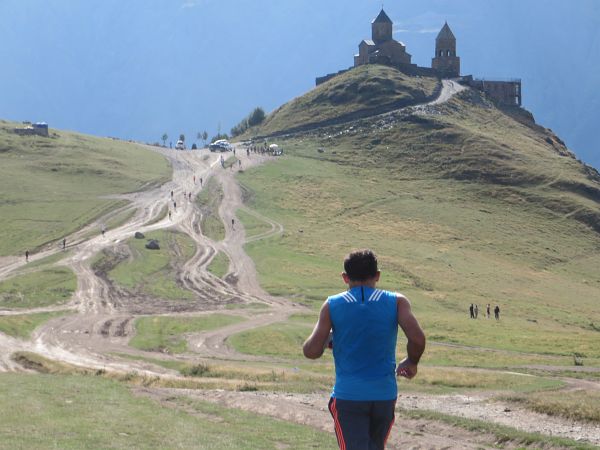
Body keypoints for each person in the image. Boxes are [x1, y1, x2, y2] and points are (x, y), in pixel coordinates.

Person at [303, 249, 425, 450]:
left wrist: (327, 338)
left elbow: (311, 351)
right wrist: (412, 361)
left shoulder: (332, 304)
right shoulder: (397, 301)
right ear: (377, 275)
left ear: (345, 277)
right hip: (384, 395)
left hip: (348, 395)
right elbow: (417, 339)